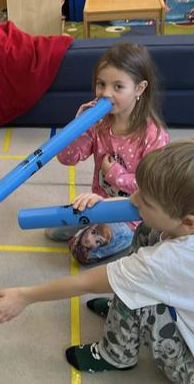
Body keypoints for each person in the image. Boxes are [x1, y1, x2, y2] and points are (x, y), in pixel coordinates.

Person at [0, 138, 194, 384]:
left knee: (134, 288)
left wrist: (25, 296)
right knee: (147, 232)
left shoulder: (169, 263)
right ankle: (124, 318)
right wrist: (100, 203)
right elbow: (136, 209)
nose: (134, 199)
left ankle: (116, 354)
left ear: (188, 222)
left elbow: (87, 282)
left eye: (147, 201)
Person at [51, 42, 169, 264]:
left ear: (139, 89)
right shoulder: (100, 123)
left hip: (132, 215)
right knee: (53, 229)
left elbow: (153, 188)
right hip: (97, 204)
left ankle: (131, 237)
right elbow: (66, 158)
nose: (106, 93)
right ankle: (91, 225)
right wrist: (78, 126)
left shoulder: (154, 135)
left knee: (81, 249)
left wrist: (115, 174)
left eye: (118, 87)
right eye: (101, 84)